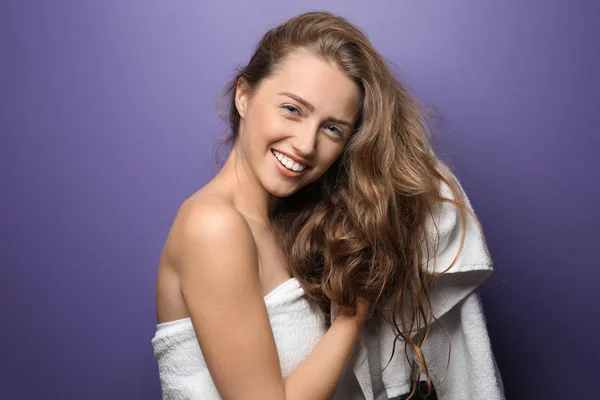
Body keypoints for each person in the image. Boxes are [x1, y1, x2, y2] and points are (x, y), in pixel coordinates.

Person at [152, 11, 504, 400]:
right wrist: (353, 316)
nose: (305, 144)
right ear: (244, 95)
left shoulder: (293, 228)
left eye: (333, 128)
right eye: (292, 109)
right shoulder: (213, 225)